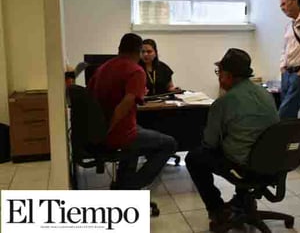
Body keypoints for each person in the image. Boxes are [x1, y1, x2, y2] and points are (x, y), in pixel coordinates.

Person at [185, 48, 279, 231]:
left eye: (219, 73)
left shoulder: (223, 103)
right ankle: (241, 201)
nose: (218, 77)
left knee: (194, 158)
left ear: (227, 75)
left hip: (246, 167)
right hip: (275, 162)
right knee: (243, 146)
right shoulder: (266, 94)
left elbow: (209, 143)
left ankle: (218, 209)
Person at [88, 33, 177, 189]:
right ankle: (131, 186)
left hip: (96, 130)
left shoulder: (102, 68)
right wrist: (109, 130)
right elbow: (125, 105)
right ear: (138, 51)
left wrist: (101, 129)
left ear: (119, 49)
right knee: (169, 144)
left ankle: (122, 183)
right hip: (118, 132)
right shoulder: (135, 71)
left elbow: (89, 96)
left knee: (139, 137)